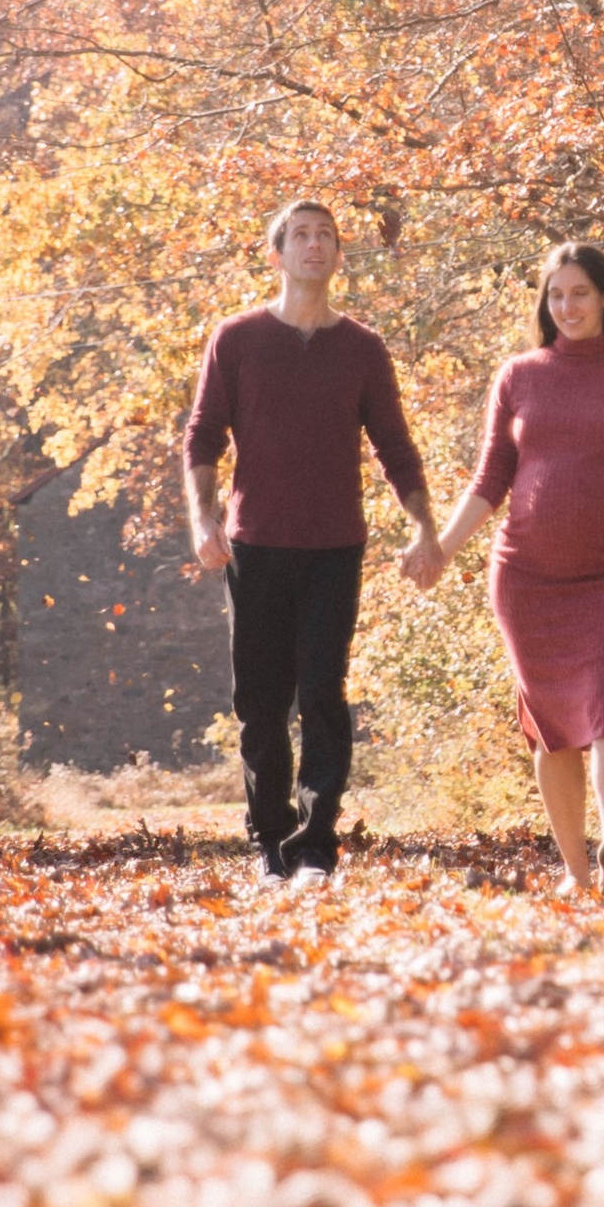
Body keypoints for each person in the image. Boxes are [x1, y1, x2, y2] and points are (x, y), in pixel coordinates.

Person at [420, 241, 604, 897]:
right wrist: (442, 547)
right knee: (550, 729)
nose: (567, 305)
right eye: (556, 295)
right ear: (545, 304)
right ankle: (579, 873)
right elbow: (491, 479)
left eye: (579, 292)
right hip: (528, 579)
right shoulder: (519, 376)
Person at [182, 198, 436, 876]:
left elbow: (396, 449)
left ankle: (317, 844)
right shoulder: (235, 340)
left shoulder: (362, 349)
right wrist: (203, 518)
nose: (314, 246)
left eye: (325, 236)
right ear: (278, 253)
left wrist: (424, 530)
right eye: (300, 235)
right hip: (256, 545)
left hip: (334, 548)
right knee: (260, 702)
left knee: (323, 693)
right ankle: (271, 843)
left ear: (337, 254)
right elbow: (202, 437)